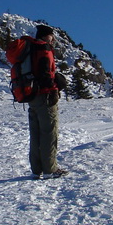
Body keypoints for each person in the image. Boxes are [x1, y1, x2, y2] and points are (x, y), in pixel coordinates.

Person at [27, 25, 67, 179]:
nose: (53, 38)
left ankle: (36, 170)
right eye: (51, 35)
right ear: (45, 36)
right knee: (49, 134)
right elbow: (44, 75)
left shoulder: (31, 49)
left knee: (35, 134)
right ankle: (50, 169)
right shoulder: (44, 50)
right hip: (45, 97)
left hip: (32, 97)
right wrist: (55, 86)